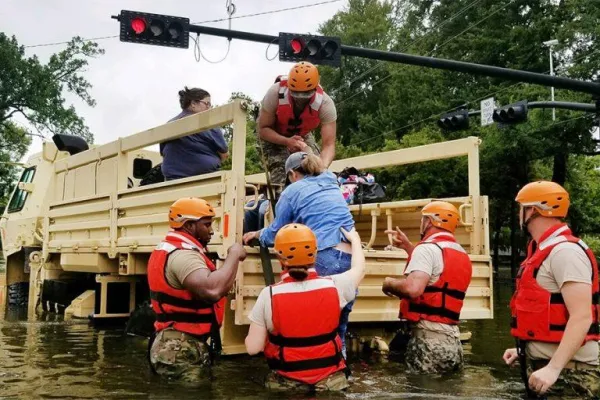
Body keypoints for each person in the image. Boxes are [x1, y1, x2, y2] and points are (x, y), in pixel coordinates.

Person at [243, 152, 356, 355]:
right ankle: (338, 370)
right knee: (338, 329)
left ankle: (306, 372)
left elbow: (277, 232)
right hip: (350, 255)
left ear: (293, 174)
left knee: (313, 326)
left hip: (325, 254)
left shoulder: (293, 190)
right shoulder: (332, 182)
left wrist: (256, 234)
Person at [502, 181, 599, 398]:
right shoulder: (543, 250)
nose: (519, 213)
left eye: (522, 207)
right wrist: (524, 349)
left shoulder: (565, 253)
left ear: (533, 210)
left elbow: (582, 317)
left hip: (571, 374)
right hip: (550, 367)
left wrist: (554, 368)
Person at [245, 223, 366, 391]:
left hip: (289, 385)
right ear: (315, 254)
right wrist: (355, 240)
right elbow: (360, 269)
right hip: (331, 384)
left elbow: (253, 348)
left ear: (279, 258)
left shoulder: (269, 295)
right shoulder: (336, 285)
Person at [147, 197, 247, 382]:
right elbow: (212, 290)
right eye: (207, 225)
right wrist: (234, 254)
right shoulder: (184, 256)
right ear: (189, 226)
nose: (211, 230)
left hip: (175, 342)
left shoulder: (171, 248)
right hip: (178, 347)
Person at [381, 201, 472, 374]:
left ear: (429, 221)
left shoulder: (427, 249)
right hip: (452, 341)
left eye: (423, 219)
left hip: (429, 341)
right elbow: (437, 275)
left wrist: (388, 283)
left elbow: (413, 289)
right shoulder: (460, 252)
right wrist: (409, 248)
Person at [257, 61, 337, 187]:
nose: (300, 100)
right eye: (296, 95)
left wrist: (321, 168)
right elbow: (263, 130)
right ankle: (281, 200)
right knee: (283, 175)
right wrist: (287, 141)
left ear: (315, 88)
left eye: (305, 96)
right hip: (273, 135)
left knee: (314, 170)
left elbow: (329, 145)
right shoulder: (275, 93)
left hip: (302, 134)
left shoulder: (326, 104)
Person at [160, 87, 229, 181]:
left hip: (171, 181)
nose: (209, 108)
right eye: (207, 104)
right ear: (193, 104)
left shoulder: (168, 125)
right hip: (204, 180)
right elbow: (225, 154)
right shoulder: (208, 124)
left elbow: (163, 152)